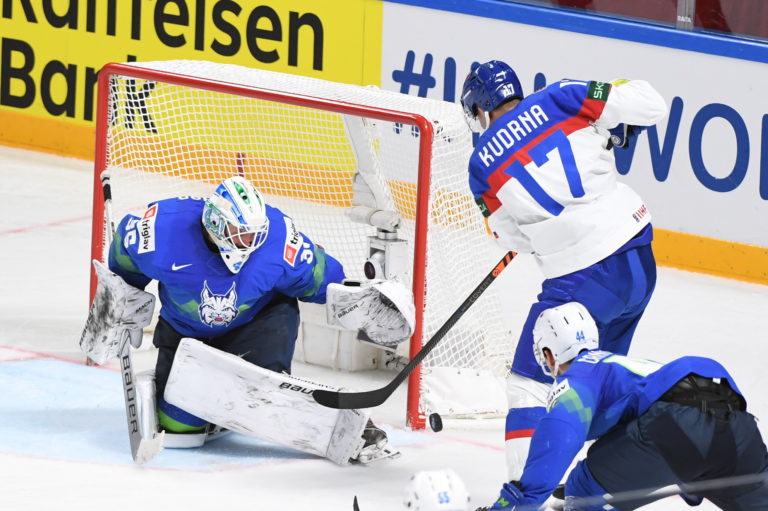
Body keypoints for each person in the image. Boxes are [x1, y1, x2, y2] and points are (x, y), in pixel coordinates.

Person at [84, 175, 413, 464]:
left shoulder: (278, 241)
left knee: (263, 393)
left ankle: (350, 427)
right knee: (180, 431)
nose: (249, 242)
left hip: (258, 325)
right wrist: (122, 297)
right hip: (185, 332)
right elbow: (124, 255)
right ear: (214, 223)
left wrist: (360, 301)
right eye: (239, 232)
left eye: (254, 233)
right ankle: (214, 405)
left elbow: (320, 278)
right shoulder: (161, 230)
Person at [460, 60, 668, 483]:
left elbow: (510, 238)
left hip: (583, 280)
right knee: (600, 382)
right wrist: (609, 122)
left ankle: (525, 496)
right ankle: (600, 487)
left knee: (529, 383)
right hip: (639, 260)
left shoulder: (481, 165)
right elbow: (652, 105)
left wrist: (543, 229)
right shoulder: (563, 95)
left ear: (480, 109)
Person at [476, 302, 768, 510]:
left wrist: (519, 501)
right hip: (737, 424)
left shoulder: (578, 376)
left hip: (675, 427)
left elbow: (562, 434)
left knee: (583, 487)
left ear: (549, 354)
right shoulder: (626, 366)